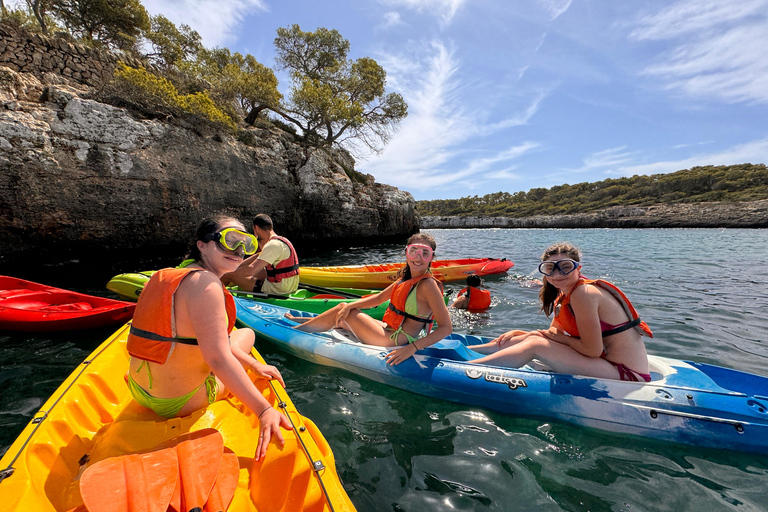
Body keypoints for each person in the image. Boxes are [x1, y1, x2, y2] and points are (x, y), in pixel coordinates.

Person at [126, 214, 291, 460]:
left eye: (246, 243)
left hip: (138, 388)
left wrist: (252, 365)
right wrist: (264, 410)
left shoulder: (171, 274)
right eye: (230, 240)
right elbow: (217, 358)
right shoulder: (207, 284)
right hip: (179, 401)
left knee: (231, 337)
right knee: (246, 334)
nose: (239, 250)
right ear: (202, 245)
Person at [470, 243, 653, 382]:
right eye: (550, 268)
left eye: (565, 267)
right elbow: (553, 333)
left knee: (536, 345)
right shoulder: (567, 294)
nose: (557, 274)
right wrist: (523, 333)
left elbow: (592, 350)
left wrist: (553, 338)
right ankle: (471, 351)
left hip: (626, 375)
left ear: (578, 268)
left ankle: (467, 369)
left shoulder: (584, 293)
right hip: (606, 364)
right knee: (533, 338)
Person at [285, 233, 452, 366]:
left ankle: (294, 332)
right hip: (391, 330)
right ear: (406, 253)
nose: (418, 258)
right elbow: (379, 298)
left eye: (425, 253)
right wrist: (351, 306)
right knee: (344, 313)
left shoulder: (428, 285)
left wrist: (412, 348)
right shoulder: (407, 278)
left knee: (344, 310)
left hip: (395, 340)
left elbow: (446, 328)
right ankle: (304, 322)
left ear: (431, 257)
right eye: (413, 251)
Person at [222, 214, 300, 296]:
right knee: (239, 272)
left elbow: (252, 270)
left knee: (228, 275)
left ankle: (217, 292)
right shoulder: (281, 241)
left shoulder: (272, 245)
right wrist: (235, 267)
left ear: (256, 228)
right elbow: (258, 256)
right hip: (289, 287)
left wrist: (231, 273)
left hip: (277, 290)